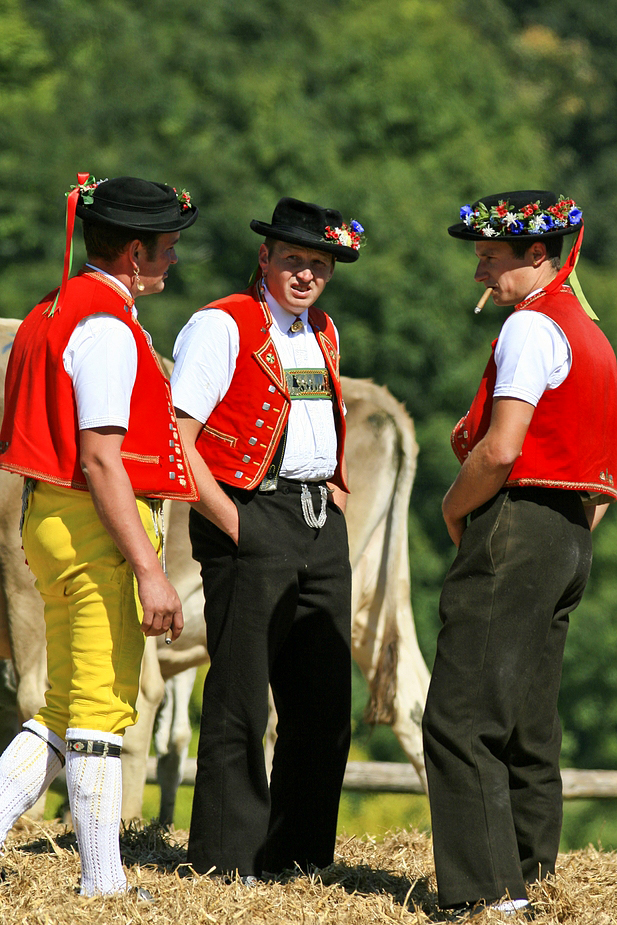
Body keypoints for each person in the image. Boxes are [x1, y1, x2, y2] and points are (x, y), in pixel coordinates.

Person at [0, 174, 199, 897]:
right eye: (169, 248)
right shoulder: (108, 329)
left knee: (60, 709)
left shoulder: (49, 310)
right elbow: (101, 458)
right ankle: (102, 883)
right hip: (94, 527)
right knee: (100, 713)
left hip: (50, 519)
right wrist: (149, 567)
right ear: (136, 253)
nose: (174, 260)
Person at [422, 190, 617, 918]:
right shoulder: (590, 332)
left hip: (518, 523)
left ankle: (487, 895)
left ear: (536, 255)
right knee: (529, 715)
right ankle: (533, 871)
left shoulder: (531, 328)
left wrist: (453, 506)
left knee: (461, 713)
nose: (479, 274)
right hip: (571, 530)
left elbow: (502, 449)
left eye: (488, 257)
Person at [170, 197, 364, 880]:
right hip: (252, 515)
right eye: (293, 259)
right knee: (241, 698)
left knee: (322, 704)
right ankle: (227, 863)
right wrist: (234, 521)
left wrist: (335, 492)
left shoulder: (321, 331)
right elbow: (178, 437)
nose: (306, 273)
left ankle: (299, 856)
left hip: (317, 522)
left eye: (318, 263)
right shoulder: (221, 324)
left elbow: (315, 418)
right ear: (265, 257)